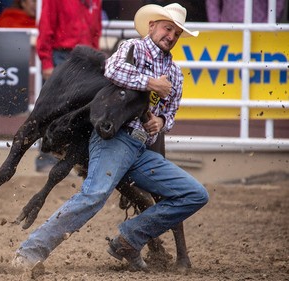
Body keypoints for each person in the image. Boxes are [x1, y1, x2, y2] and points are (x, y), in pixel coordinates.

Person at [12, 2, 209, 275]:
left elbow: (171, 113)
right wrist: (151, 84)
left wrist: (161, 121)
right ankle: (30, 251)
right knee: (94, 194)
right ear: (152, 26)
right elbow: (112, 70)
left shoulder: (174, 73)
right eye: (168, 29)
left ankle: (128, 239)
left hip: (140, 148)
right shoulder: (133, 48)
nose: (171, 36)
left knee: (194, 194)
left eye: (176, 33)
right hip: (114, 138)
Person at [35, 0, 103, 172]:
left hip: (86, 59)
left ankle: (76, 157)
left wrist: (96, 60)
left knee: (83, 110)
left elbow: (96, 30)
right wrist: (47, 61)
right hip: (63, 55)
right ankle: (46, 156)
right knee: (53, 109)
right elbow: (46, 26)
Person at [206, 0, 285, 23]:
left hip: (260, 29)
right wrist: (217, 25)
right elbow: (212, 2)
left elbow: (278, 3)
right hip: (228, 29)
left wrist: (267, 24)